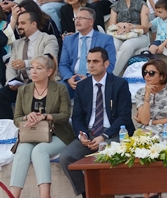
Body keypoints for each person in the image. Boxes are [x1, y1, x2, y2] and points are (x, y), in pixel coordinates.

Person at [59, 46, 133, 197]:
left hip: (114, 133)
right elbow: (77, 116)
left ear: (106, 64)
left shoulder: (119, 84)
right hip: (90, 133)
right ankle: (88, 192)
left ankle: (106, 194)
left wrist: (104, 136)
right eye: (88, 61)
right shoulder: (82, 86)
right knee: (66, 157)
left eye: (95, 61)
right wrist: (82, 135)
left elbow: (124, 116)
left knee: (105, 154)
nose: (91, 65)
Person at [9, 54, 74, 198]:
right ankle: (13, 196)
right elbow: (16, 119)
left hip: (59, 134)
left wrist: (45, 116)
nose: (33, 71)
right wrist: (27, 117)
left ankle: (45, 196)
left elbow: (65, 116)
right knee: (21, 151)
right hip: (32, 133)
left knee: (39, 151)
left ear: (49, 71)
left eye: (39, 68)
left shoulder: (60, 89)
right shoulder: (23, 90)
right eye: (32, 68)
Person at [0, 11, 59, 119]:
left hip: (41, 82)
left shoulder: (48, 39)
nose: (19, 26)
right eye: (18, 24)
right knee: (2, 94)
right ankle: (9, 128)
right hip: (20, 83)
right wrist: (11, 81)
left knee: (31, 90)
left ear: (33, 24)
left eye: (22, 23)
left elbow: (48, 59)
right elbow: (11, 67)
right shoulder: (17, 43)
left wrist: (26, 63)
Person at [59, 6, 116, 94]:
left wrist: (92, 79)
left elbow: (110, 65)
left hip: (95, 78)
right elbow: (63, 64)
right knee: (57, 91)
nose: (77, 21)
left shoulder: (105, 39)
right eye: (76, 18)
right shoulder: (68, 40)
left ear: (91, 22)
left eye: (81, 18)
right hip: (73, 80)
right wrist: (69, 78)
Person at [109, 0, 151, 75]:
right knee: (112, 45)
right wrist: (120, 25)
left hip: (140, 36)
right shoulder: (116, 5)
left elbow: (145, 28)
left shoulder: (142, 4)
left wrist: (132, 27)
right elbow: (111, 26)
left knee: (127, 46)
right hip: (120, 34)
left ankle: (112, 75)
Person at [134, 58, 167, 141]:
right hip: (146, 129)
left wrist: (151, 122)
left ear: (162, 76)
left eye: (151, 73)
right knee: (138, 139)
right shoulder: (140, 93)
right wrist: (147, 95)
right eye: (145, 73)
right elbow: (144, 120)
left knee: (152, 140)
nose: (147, 76)